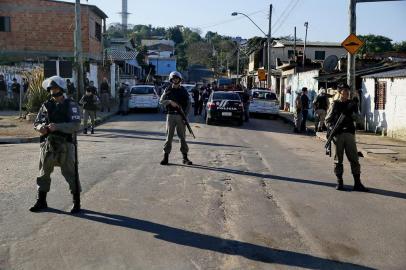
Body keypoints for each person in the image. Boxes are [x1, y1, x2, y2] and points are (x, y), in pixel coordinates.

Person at [29, 76, 82, 213]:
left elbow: (76, 125)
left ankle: (76, 202)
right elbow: (36, 122)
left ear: (61, 89)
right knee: (43, 173)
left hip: (66, 144)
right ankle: (41, 201)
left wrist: (57, 126)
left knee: (70, 173)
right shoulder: (46, 105)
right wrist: (40, 127)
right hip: (48, 144)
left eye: (56, 88)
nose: (53, 91)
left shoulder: (71, 105)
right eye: (51, 89)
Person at [325, 83, 369, 192]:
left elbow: (359, 120)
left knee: (354, 159)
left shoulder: (352, 104)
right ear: (340, 92)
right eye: (345, 91)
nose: (347, 93)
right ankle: (339, 182)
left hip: (349, 134)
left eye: (348, 91)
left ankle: (357, 184)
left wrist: (352, 114)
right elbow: (327, 120)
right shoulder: (334, 104)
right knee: (338, 160)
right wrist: (332, 129)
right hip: (338, 135)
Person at [159, 71, 192, 166]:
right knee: (169, 137)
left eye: (177, 78)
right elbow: (161, 101)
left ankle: (185, 158)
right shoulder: (167, 89)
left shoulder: (183, 90)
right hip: (170, 115)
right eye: (173, 79)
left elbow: (189, 104)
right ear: (171, 80)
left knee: (182, 137)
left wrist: (185, 116)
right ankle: (166, 157)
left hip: (180, 116)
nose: (175, 80)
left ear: (179, 79)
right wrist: (169, 102)